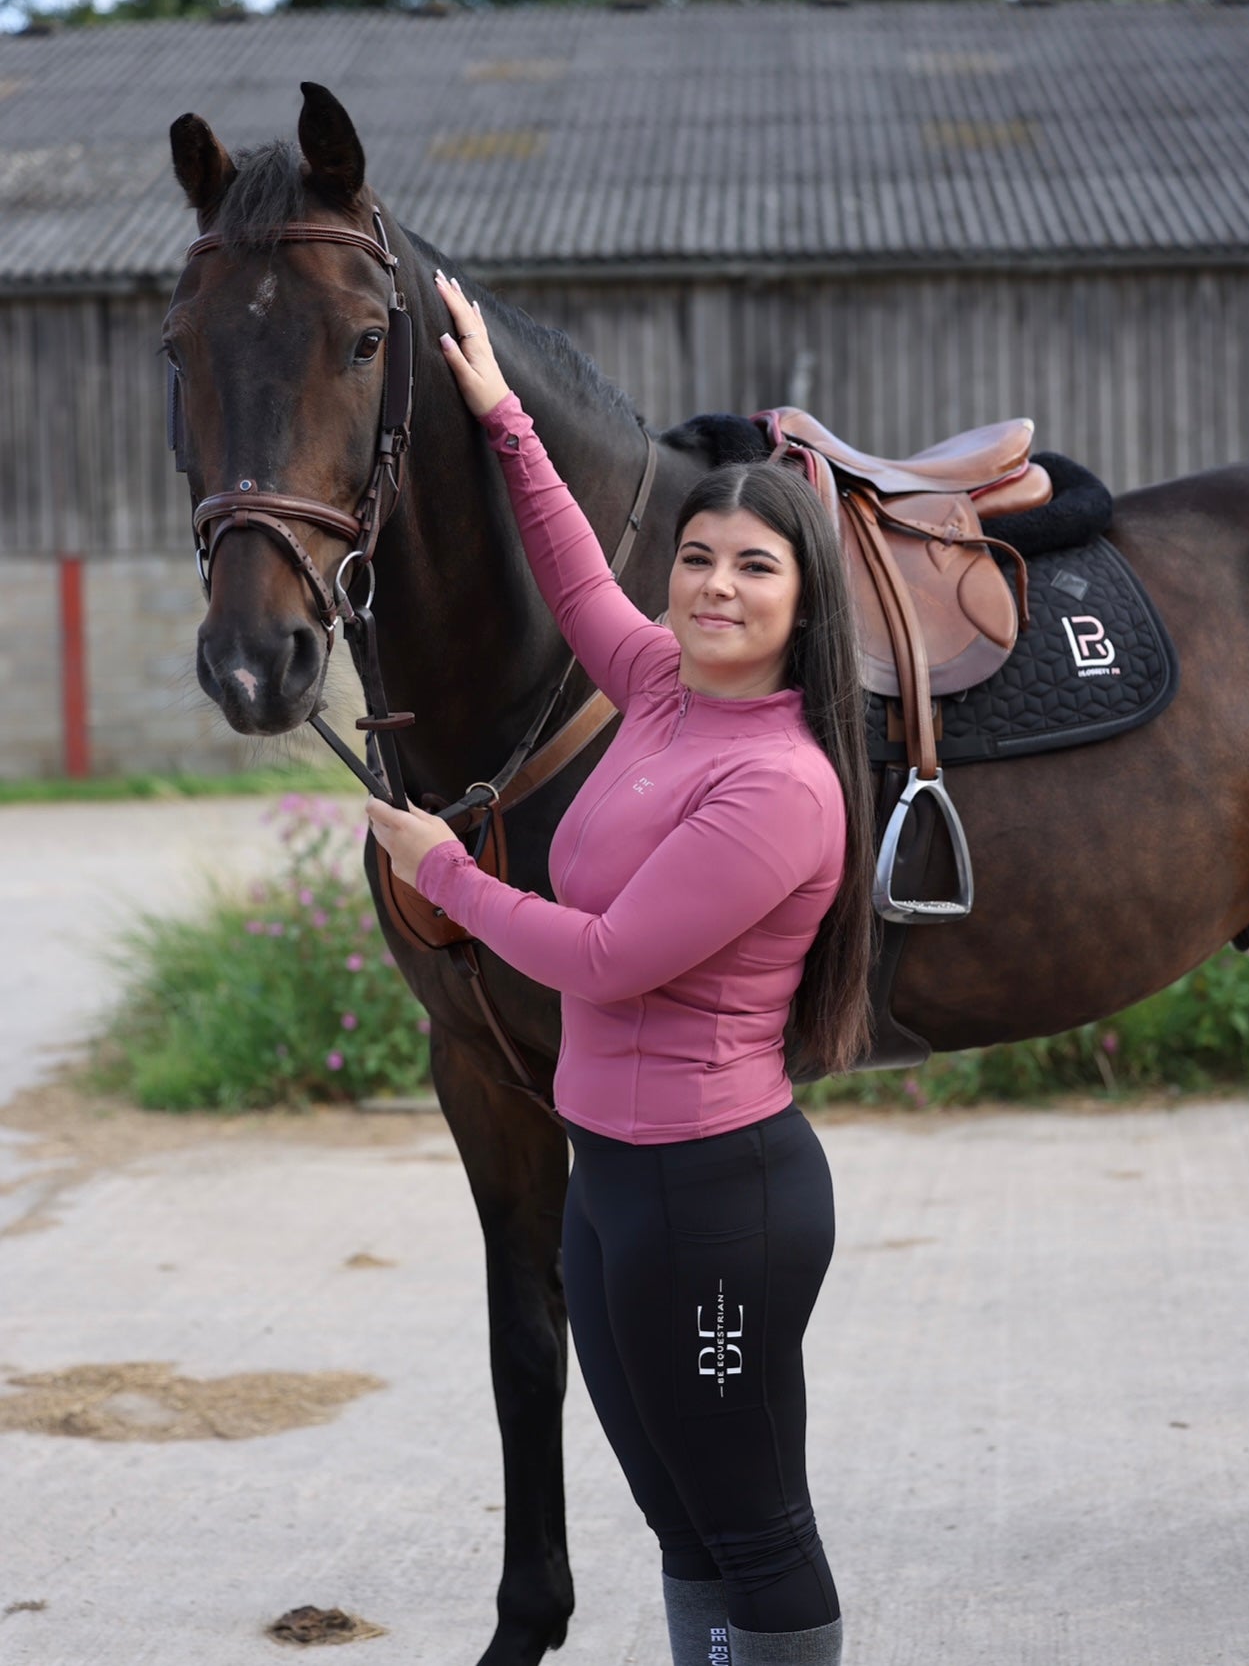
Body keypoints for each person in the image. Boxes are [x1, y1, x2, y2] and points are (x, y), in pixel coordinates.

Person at [367, 270, 875, 1666]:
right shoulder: (655, 683)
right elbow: (573, 569)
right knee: (674, 1516)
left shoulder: (778, 786)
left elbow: (603, 960)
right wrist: (494, 404)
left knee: (751, 1521)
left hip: (719, 1200)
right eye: (701, 557)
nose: (715, 584)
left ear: (798, 602)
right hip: (613, 1190)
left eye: (754, 567)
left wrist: (445, 873)